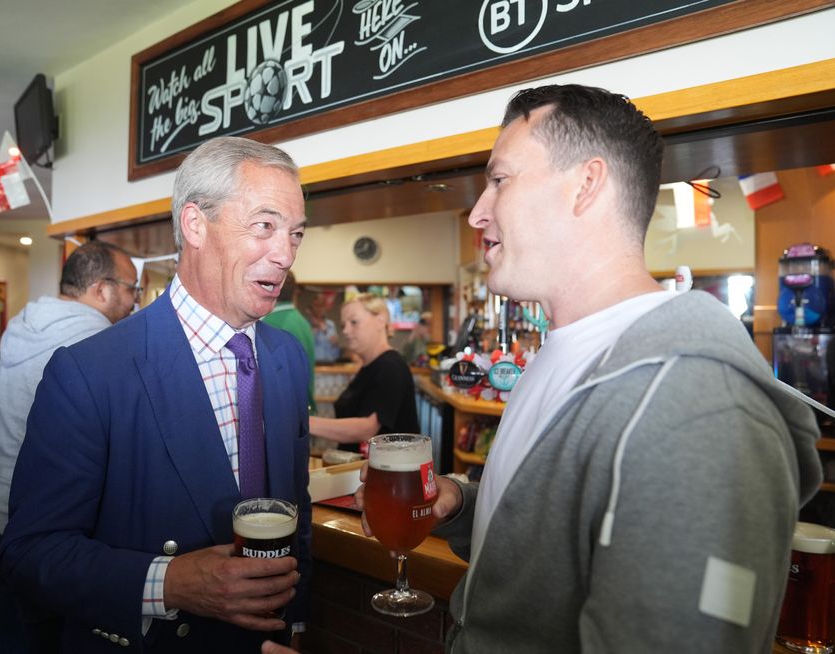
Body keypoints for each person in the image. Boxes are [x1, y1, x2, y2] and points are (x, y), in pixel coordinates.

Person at [358, 84, 823, 652]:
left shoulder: (695, 400)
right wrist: (461, 502)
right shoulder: (567, 351)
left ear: (585, 184)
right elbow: (556, 533)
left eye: (499, 180)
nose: (478, 212)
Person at [0, 136, 312, 653]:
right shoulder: (88, 373)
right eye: (264, 226)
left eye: (295, 234)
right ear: (195, 225)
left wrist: (295, 626)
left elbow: (294, 513)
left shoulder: (286, 356)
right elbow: (30, 553)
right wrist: (168, 583)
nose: (285, 255)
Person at [0, 240, 140, 653]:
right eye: (131, 288)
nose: (134, 301)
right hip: (33, 524)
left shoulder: (25, 320)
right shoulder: (98, 342)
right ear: (101, 289)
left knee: (8, 637)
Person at [309, 293, 419, 452]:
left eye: (354, 322)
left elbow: (367, 428)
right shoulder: (369, 366)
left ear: (380, 321)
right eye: (343, 325)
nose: (345, 331)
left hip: (386, 473)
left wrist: (303, 422)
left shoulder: (391, 367)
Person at [262, 271, 316, 414]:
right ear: (294, 292)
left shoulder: (268, 325)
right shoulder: (301, 321)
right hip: (304, 408)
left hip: (286, 413)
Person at [309, 294, 340, 362]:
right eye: (317, 306)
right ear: (312, 307)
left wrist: (326, 331)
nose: (319, 309)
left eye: (322, 306)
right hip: (313, 366)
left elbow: (336, 350)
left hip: (330, 365)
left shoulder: (331, 325)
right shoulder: (306, 325)